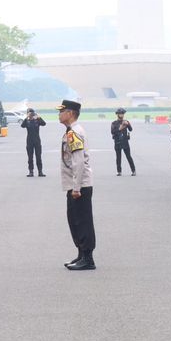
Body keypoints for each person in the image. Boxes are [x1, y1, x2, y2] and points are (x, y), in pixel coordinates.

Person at [59, 99, 96, 270]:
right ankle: (81, 254)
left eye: (62, 111)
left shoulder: (74, 132)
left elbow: (78, 161)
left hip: (79, 186)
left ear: (70, 113)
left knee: (83, 222)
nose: (59, 114)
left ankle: (88, 259)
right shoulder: (71, 131)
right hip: (75, 185)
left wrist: (76, 188)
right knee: (74, 221)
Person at [21, 108, 46, 177]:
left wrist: (39, 117)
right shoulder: (27, 121)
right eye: (30, 113)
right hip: (29, 141)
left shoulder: (37, 120)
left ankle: (40, 172)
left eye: (32, 113)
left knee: (38, 156)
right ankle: (31, 172)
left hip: (37, 141)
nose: (31, 114)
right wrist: (27, 118)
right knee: (30, 157)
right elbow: (22, 126)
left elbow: (44, 124)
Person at [111, 108, 136, 176]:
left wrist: (128, 124)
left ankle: (133, 170)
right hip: (117, 142)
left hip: (125, 142)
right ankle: (119, 171)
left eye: (122, 113)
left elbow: (130, 129)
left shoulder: (126, 121)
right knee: (118, 157)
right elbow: (112, 132)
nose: (121, 115)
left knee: (128, 156)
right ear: (117, 114)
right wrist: (120, 128)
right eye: (120, 113)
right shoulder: (114, 123)